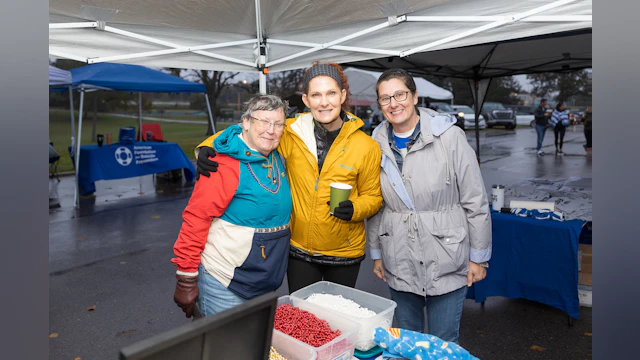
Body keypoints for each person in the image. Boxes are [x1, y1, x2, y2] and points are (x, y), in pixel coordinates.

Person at [196, 62, 383, 294]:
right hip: (298, 251)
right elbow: (249, 131)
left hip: (345, 252)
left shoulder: (366, 146)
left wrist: (355, 208)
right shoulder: (291, 131)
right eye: (316, 95)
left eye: (331, 93)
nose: (324, 102)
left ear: (343, 95)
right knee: (302, 320)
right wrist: (207, 145)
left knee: (339, 320)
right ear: (306, 100)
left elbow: (374, 197)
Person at [366, 69, 492, 344]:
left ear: (414, 96)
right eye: (385, 98)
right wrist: (377, 253)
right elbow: (377, 205)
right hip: (398, 257)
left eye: (400, 95)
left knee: (443, 342)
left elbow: (475, 200)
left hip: (447, 255)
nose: (393, 103)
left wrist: (479, 257)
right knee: (407, 342)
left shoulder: (450, 138)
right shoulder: (374, 145)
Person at [171, 95, 292, 318]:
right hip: (224, 281)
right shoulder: (222, 165)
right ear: (246, 122)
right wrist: (186, 278)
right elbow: (196, 219)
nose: (271, 130)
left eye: (277, 124)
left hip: (264, 282)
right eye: (263, 122)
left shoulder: (279, 157)